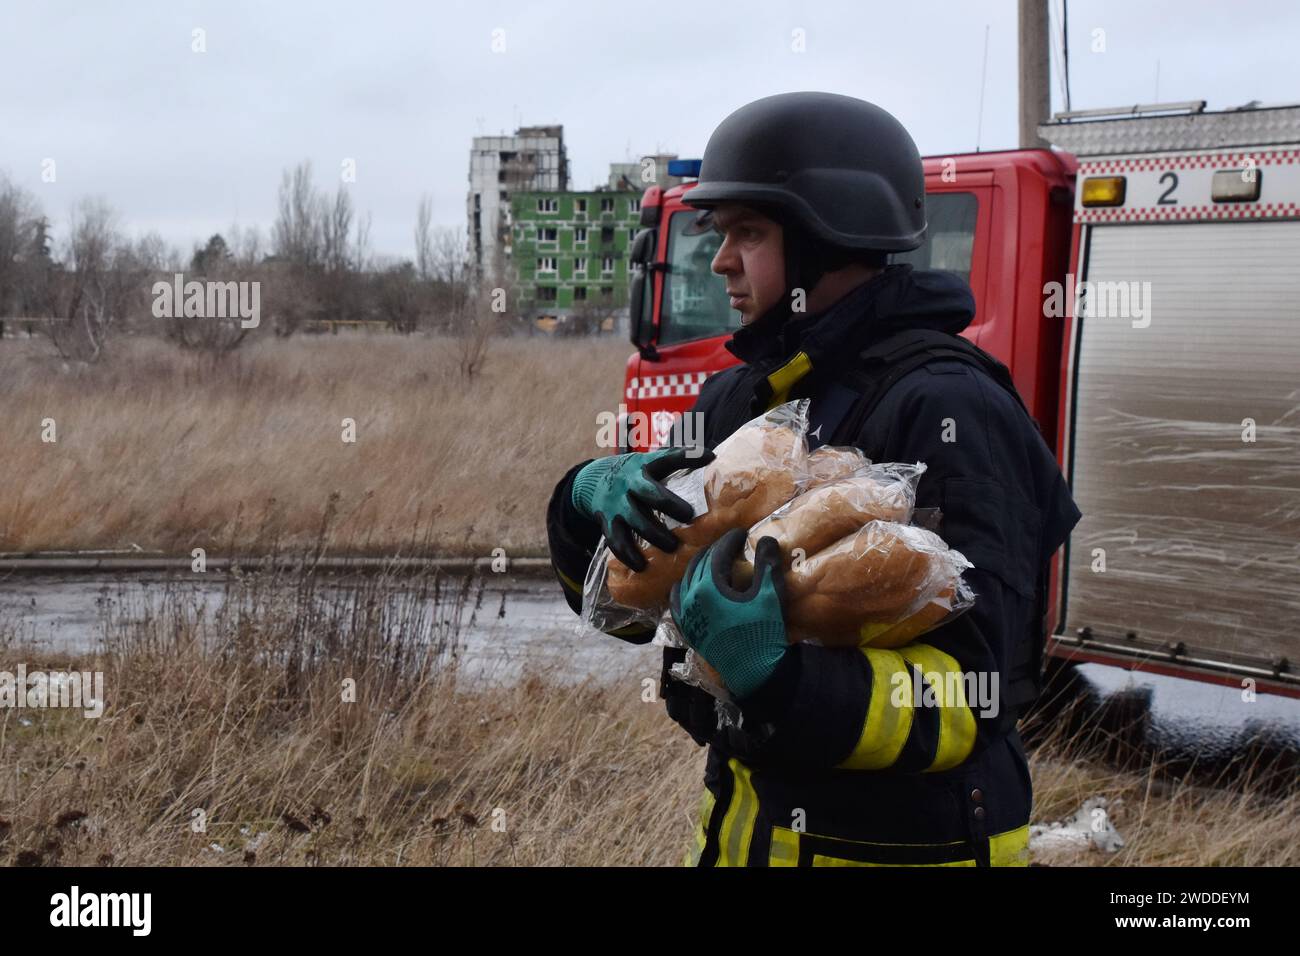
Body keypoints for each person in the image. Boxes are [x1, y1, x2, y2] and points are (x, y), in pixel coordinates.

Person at [545, 91, 1082, 866]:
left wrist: (778, 677)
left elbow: (974, 695)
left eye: (748, 233)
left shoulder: (948, 405)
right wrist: (584, 503)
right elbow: (623, 617)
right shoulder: (743, 399)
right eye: (722, 236)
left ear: (832, 238)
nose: (720, 259)